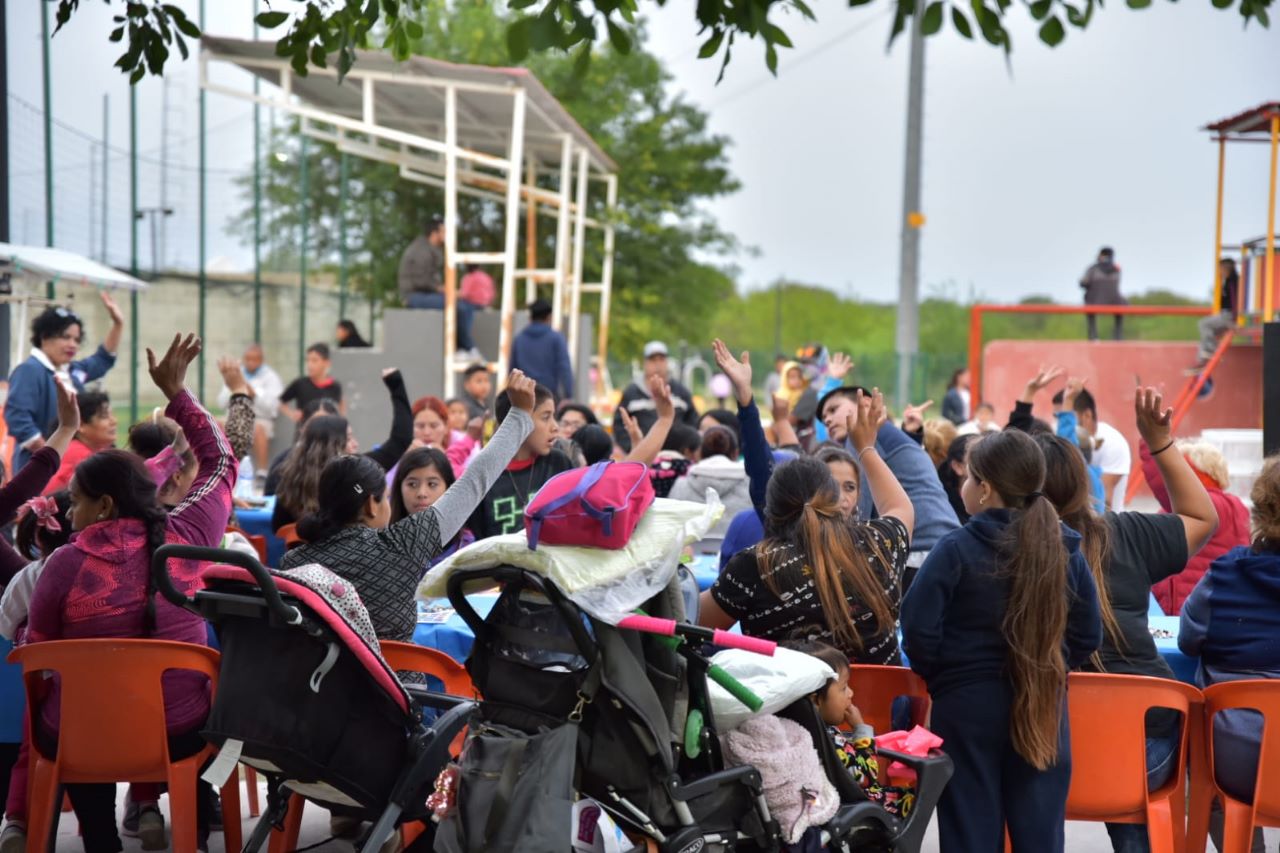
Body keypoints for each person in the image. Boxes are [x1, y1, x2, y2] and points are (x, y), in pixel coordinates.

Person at [18, 333, 234, 853]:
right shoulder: (190, 537)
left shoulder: (62, 565)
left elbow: (39, 661)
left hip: (82, 738)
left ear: (106, 506)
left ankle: (99, 840)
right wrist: (178, 393)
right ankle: (193, 832)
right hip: (182, 731)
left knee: (71, 715)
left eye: (76, 502)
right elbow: (222, 462)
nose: (70, 514)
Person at [900, 429, 1102, 853]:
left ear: (985, 489)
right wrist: (1050, 667)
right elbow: (1088, 634)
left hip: (966, 707)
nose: (963, 485)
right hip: (1042, 704)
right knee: (1041, 837)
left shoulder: (955, 548)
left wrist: (945, 677)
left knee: (970, 834)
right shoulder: (1064, 548)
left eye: (969, 477)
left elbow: (917, 629)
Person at [1034, 391, 1218, 853]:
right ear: (1083, 481)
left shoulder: (996, 552)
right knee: (1132, 790)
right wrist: (1159, 443)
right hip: (1143, 749)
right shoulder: (1126, 533)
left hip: (1040, 752)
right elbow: (1202, 517)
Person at [281, 372, 538, 643]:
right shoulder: (403, 544)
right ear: (371, 505)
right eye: (384, 495)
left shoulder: (293, 563)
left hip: (320, 672)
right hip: (393, 672)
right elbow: (476, 480)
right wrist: (519, 415)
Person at [700, 383, 915, 665]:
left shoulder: (756, 566)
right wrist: (866, 447)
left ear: (771, 510)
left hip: (788, 696)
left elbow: (691, 621)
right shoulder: (879, 543)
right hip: (881, 695)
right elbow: (900, 507)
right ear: (834, 499)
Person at [1179, 457, 1280, 853]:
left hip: (1234, 761)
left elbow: (1188, 640)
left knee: (1211, 783)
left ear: (1259, 510)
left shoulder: (1223, 577)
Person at [820, 385, 959, 588]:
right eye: (824, 418)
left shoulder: (862, 439)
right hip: (948, 548)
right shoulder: (893, 438)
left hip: (917, 554)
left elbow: (859, 512)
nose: (827, 420)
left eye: (833, 409)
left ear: (865, 403)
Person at [272, 369, 412, 532]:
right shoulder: (357, 474)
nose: (355, 443)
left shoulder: (288, 477)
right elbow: (401, 439)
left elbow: (278, 528)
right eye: (349, 437)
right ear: (335, 445)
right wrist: (396, 385)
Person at [791, 640, 916, 818]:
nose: (851, 693)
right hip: (859, 810)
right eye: (843, 688)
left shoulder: (796, 735)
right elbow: (868, 777)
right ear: (815, 700)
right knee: (920, 796)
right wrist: (860, 729)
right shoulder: (827, 741)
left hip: (842, 806)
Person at [5, 294, 124, 473]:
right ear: (44, 337)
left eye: (76, 339)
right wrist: (50, 455)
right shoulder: (29, 371)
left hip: (68, 466)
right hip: (39, 471)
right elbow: (18, 418)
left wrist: (118, 323)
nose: (72, 344)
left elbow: (102, 360)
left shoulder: (70, 371)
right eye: (65, 337)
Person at [1142, 438, 1249, 615]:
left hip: (1193, 608)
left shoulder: (1210, 503)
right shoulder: (1232, 505)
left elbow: (1162, 485)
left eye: (1179, 469)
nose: (1174, 475)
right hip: (1204, 605)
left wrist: (1151, 439)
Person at [466, 382, 573, 540]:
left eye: (554, 416)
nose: (555, 427)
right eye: (545, 417)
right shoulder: (484, 474)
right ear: (516, 422)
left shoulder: (558, 463)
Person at [398, 215, 480, 361]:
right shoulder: (420, 250)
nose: (447, 234)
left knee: (466, 306)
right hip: (413, 296)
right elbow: (420, 281)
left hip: (426, 294)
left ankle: (463, 348)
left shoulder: (430, 249)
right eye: (444, 231)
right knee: (458, 306)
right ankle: (465, 348)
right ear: (435, 233)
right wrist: (445, 290)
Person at [613, 341, 698, 452]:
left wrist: (687, 447)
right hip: (642, 455)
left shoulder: (681, 392)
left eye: (661, 359)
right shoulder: (631, 393)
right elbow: (619, 424)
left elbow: (693, 421)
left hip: (677, 455)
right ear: (644, 363)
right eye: (653, 360)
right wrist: (632, 449)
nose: (657, 364)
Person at [669, 425, 750, 538]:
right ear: (736, 453)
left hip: (690, 549)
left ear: (699, 453)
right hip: (739, 549)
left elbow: (671, 526)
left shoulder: (681, 485)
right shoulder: (751, 486)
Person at [216, 343, 283, 473]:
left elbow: (273, 408)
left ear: (261, 360)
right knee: (216, 424)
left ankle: (262, 472)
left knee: (257, 428)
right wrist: (235, 389)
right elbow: (221, 403)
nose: (251, 362)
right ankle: (221, 467)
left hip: (260, 418)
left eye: (255, 359)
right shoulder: (236, 374)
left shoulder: (271, 377)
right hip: (233, 416)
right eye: (248, 359)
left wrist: (255, 396)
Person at [1063, 387, 1132, 512]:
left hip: (1106, 520)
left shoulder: (1113, 444)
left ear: (1087, 415)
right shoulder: (1068, 439)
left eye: (1069, 418)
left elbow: (1104, 502)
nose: (1063, 423)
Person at [43, 391, 116, 495]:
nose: (114, 421)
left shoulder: (97, 451)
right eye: (104, 416)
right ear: (80, 425)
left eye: (111, 415)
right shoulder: (78, 455)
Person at [510, 299, 574, 400]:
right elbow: (564, 367)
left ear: (530, 317)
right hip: (548, 395)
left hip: (524, 396)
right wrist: (568, 394)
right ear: (549, 317)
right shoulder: (556, 338)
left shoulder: (519, 339)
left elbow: (512, 370)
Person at [1193, 258, 1241, 370]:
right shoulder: (1228, 282)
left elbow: (1235, 301)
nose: (1220, 272)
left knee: (1204, 324)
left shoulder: (1232, 282)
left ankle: (1211, 350)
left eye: (1221, 269)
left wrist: (1233, 321)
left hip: (1229, 316)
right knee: (1206, 334)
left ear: (1227, 268)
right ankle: (1202, 360)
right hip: (1226, 314)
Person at [280, 343, 345, 424]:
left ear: (327, 363)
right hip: (305, 430)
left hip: (329, 430)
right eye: (308, 360)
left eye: (314, 360)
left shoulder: (335, 386)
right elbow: (280, 402)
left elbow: (341, 404)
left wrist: (340, 421)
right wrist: (292, 414)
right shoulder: (300, 384)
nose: (310, 365)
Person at [1081, 246, 1126, 341]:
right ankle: (1118, 336)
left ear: (1101, 255)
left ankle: (1093, 336)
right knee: (1123, 304)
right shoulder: (1117, 270)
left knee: (1088, 302)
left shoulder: (1093, 269)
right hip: (1115, 302)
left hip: (1095, 301)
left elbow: (1084, 283)